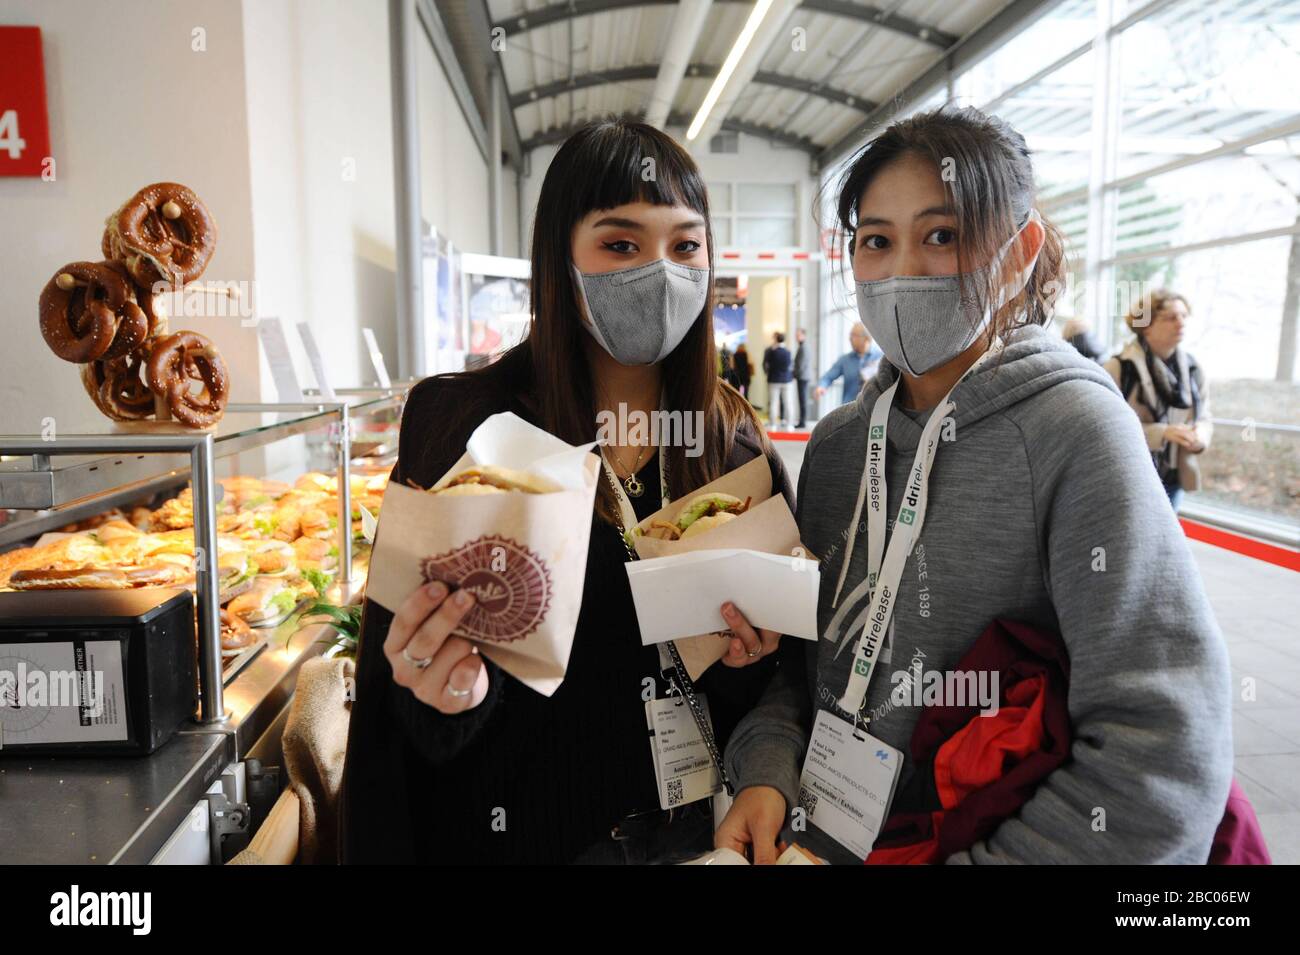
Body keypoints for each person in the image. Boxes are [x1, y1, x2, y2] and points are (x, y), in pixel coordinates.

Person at [716, 106, 1231, 864]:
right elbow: (804, 667)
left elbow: (1161, 751)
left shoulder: (1076, 432)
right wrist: (764, 768)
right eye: (876, 242)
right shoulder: (835, 447)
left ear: (1020, 251)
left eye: (943, 235)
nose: (901, 271)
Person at [340, 120, 802, 864]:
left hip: (692, 840)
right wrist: (447, 693)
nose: (660, 271)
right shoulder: (467, 423)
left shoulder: (730, 442)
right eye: (621, 244)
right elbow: (404, 709)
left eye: (685, 246)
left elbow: (777, 684)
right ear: (559, 259)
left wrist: (748, 668)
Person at [1104, 290, 1212, 511]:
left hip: (1174, 475)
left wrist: (1199, 438)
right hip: (1129, 476)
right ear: (1146, 326)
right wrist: (1162, 433)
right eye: (1171, 317)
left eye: (1184, 316)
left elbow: (1204, 417)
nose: (1181, 323)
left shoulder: (1192, 368)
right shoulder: (1119, 368)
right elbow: (1106, 428)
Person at [814, 321, 883, 405]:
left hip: (874, 410)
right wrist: (821, 386)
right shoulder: (845, 360)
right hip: (849, 411)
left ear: (866, 338)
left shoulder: (881, 358)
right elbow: (828, 377)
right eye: (850, 335)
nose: (850, 338)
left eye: (854, 335)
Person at [762, 331, 796, 429]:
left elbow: (767, 365)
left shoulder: (771, 352)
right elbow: (790, 366)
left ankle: (773, 424)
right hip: (787, 380)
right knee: (788, 402)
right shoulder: (788, 352)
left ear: (776, 340)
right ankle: (790, 425)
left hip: (774, 380)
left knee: (773, 403)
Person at [793, 327, 810, 428]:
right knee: (802, 399)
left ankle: (802, 421)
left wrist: (794, 374)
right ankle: (802, 420)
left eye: (798, 335)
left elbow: (801, 365)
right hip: (802, 376)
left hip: (802, 377)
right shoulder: (802, 346)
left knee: (802, 399)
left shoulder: (804, 347)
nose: (796, 337)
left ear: (803, 335)